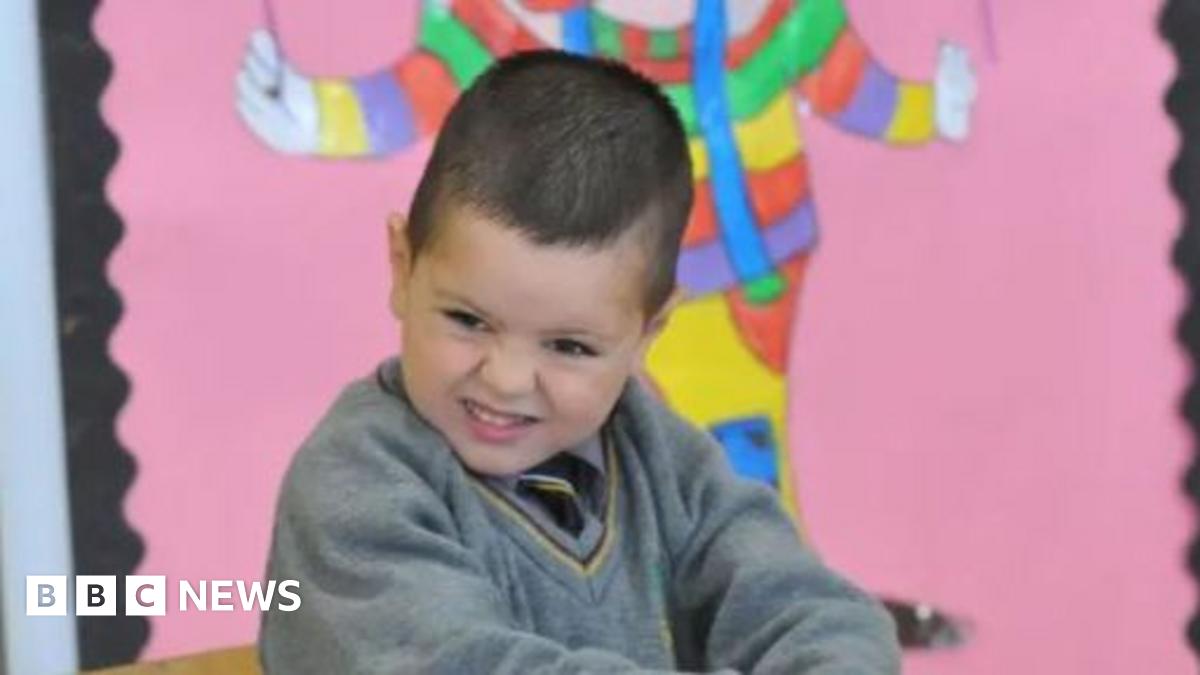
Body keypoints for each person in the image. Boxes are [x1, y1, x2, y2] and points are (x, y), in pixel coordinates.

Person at [258, 50, 900, 674]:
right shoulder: (354, 484)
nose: (506, 379)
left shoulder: (657, 454)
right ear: (403, 268)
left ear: (649, 331)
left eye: (569, 347)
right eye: (467, 320)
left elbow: (811, 610)